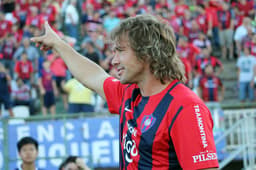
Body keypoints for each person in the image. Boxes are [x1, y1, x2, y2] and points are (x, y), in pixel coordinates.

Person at [31, 14, 219, 169]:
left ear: (146, 53)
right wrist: (58, 44)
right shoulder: (129, 93)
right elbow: (93, 76)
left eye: (120, 51)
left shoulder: (185, 106)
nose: (113, 61)